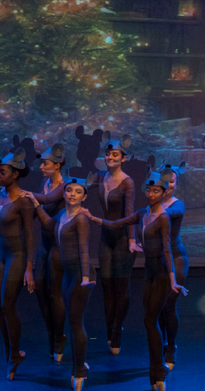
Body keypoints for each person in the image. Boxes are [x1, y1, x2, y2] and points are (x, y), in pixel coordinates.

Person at [85, 169, 188, 391]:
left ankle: (161, 364)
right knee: (150, 320)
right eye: (148, 190)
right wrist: (93, 218)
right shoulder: (143, 213)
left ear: (165, 190)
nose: (150, 194)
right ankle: (157, 368)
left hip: (165, 269)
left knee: (157, 316)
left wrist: (172, 279)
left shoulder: (166, 214)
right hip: (150, 271)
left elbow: (167, 250)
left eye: (156, 191)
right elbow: (118, 223)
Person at [26, 176, 96, 391]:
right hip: (68, 274)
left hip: (81, 275)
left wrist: (85, 277)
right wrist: (36, 203)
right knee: (71, 322)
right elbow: (48, 224)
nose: (72, 194)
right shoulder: (62, 214)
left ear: (84, 197)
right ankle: (79, 363)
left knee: (75, 323)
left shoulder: (81, 219)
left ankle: (79, 371)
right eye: (69, 190)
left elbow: (84, 250)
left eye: (77, 191)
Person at [0, 149, 35, 380]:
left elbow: (29, 235)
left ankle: (14, 353)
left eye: (2, 172)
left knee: (7, 306)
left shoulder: (24, 201)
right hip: (2, 255)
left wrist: (29, 268)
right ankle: (11, 351)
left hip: (17, 256)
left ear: (15, 174)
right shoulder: (0, 194)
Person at [88, 132, 138, 355]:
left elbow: (129, 213)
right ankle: (110, 330)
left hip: (122, 238)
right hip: (106, 237)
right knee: (106, 284)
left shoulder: (127, 182)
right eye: (108, 154)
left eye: (115, 154)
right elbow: (79, 186)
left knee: (120, 286)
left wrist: (132, 239)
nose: (110, 157)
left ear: (123, 158)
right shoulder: (100, 177)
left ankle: (117, 331)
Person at [30, 143, 67, 361]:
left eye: (45, 163)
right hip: (44, 244)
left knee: (54, 293)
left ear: (57, 165)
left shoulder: (64, 186)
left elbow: (48, 200)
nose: (42, 167)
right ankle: (52, 333)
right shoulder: (43, 183)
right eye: (42, 163)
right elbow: (37, 209)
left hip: (57, 245)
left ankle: (59, 337)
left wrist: (27, 196)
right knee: (39, 289)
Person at [157, 162, 188, 371]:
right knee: (158, 306)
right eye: (164, 181)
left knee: (169, 304)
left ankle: (171, 347)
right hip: (157, 259)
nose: (168, 185)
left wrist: (153, 209)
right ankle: (161, 344)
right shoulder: (152, 203)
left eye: (171, 182)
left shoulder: (178, 204)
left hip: (176, 258)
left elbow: (170, 213)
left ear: (176, 184)